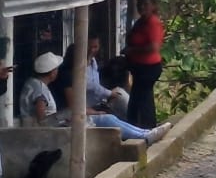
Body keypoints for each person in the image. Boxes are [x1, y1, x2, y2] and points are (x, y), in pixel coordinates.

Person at [19, 52, 171, 145]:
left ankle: (145, 133)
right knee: (106, 120)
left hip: (52, 124)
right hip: (48, 130)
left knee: (107, 118)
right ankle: (144, 135)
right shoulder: (39, 90)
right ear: (52, 72)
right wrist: (65, 115)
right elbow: (42, 119)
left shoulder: (34, 83)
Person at [59, 36, 130, 121]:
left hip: (98, 102)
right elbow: (89, 85)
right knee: (108, 118)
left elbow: (96, 84)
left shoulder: (93, 62)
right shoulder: (68, 74)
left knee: (120, 94)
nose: (92, 50)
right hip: (85, 109)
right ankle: (142, 134)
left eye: (95, 47)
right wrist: (108, 94)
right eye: (89, 47)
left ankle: (140, 129)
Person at [124, 0, 165, 128]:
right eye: (139, 4)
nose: (142, 7)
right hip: (139, 66)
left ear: (153, 6)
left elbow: (154, 47)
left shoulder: (153, 23)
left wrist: (132, 51)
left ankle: (147, 128)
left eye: (146, 4)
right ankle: (136, 126)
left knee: (143, 99)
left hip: (149, 67)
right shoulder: (141, 22)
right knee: (138, 98)